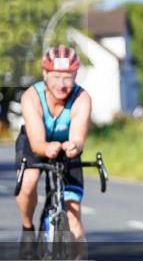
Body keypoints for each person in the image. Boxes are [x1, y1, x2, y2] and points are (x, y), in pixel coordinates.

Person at [15, 45, 93, 249]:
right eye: (56, 76)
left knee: (73, 211)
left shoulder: (81, 99)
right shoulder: (31, 97)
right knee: (28, 182)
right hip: (35, 142)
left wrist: (73, 146)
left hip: (66, 147)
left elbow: (78, 137)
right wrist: (46, 148)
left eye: (68, 77)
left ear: (76, 75)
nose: (61, 84)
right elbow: (37, 142)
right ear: (45, 74)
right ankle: (27, 228)